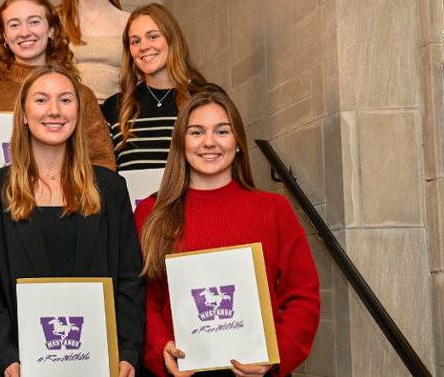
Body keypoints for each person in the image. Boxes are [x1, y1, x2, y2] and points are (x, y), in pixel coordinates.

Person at [0, 64, 145, 377]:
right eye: (40, 100)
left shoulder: (111, 188)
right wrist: (6, 357)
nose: (54, 110)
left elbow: (130, 279)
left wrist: (128, 351)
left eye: (65, 100)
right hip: (21, 366)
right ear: (23, 114)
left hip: (103, 364)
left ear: (78, 112)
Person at [134, 89, 320, 377]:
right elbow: (142, 298)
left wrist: (277, 352)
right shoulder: (151, 213)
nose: (209, 142)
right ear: (181, 143)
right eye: (196, 132)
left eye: (222, 131)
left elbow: (303, 294)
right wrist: (160, 347)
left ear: (237, 143)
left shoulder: (273, 209)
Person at [0, 0, 116, 196]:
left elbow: (101, 163)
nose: (24, 32)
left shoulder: (80, 95)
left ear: (52, 30)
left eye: (34, 22)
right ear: (4, 36)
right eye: (14, 24)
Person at [101, 3, 207, 171]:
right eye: (135, 41)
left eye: (153, 37)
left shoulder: (206, 98)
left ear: (172, 39)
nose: (143, 47)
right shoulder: (113, 108)